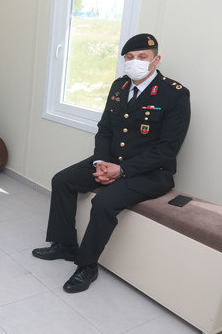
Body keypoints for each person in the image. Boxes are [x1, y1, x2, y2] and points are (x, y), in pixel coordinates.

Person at [32, 34, 191, 293]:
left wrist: (122, 170)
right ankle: (64, 245)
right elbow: (105, 129)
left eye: (142, 57)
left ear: (156, 60)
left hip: (151, 172)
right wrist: (101, 162)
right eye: (129, 57)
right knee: (62, 180)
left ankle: (87, 266)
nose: (135, 62)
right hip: (112, 161)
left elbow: (167, 149)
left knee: (103, 203)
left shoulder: (174, 94)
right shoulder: (120, 86)